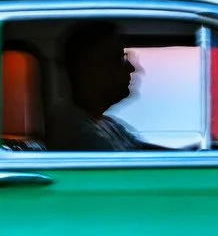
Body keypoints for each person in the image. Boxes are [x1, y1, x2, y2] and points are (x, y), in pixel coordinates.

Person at [47, 20, 155, 151]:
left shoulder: (106, 124)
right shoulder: (82, 137)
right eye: (119, 59)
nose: (132, 68)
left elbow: (144, 151)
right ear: (87, 70)